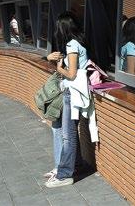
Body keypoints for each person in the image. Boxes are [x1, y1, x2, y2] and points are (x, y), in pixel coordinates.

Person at [45, 12, 93, 188]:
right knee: (68, 133)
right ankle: (75, 165)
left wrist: (59, 67)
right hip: (73, 94)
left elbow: (71, 74)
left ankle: (64, 174)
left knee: (68, 135)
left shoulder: (72, 45)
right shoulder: (78, 43)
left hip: (71, 94)